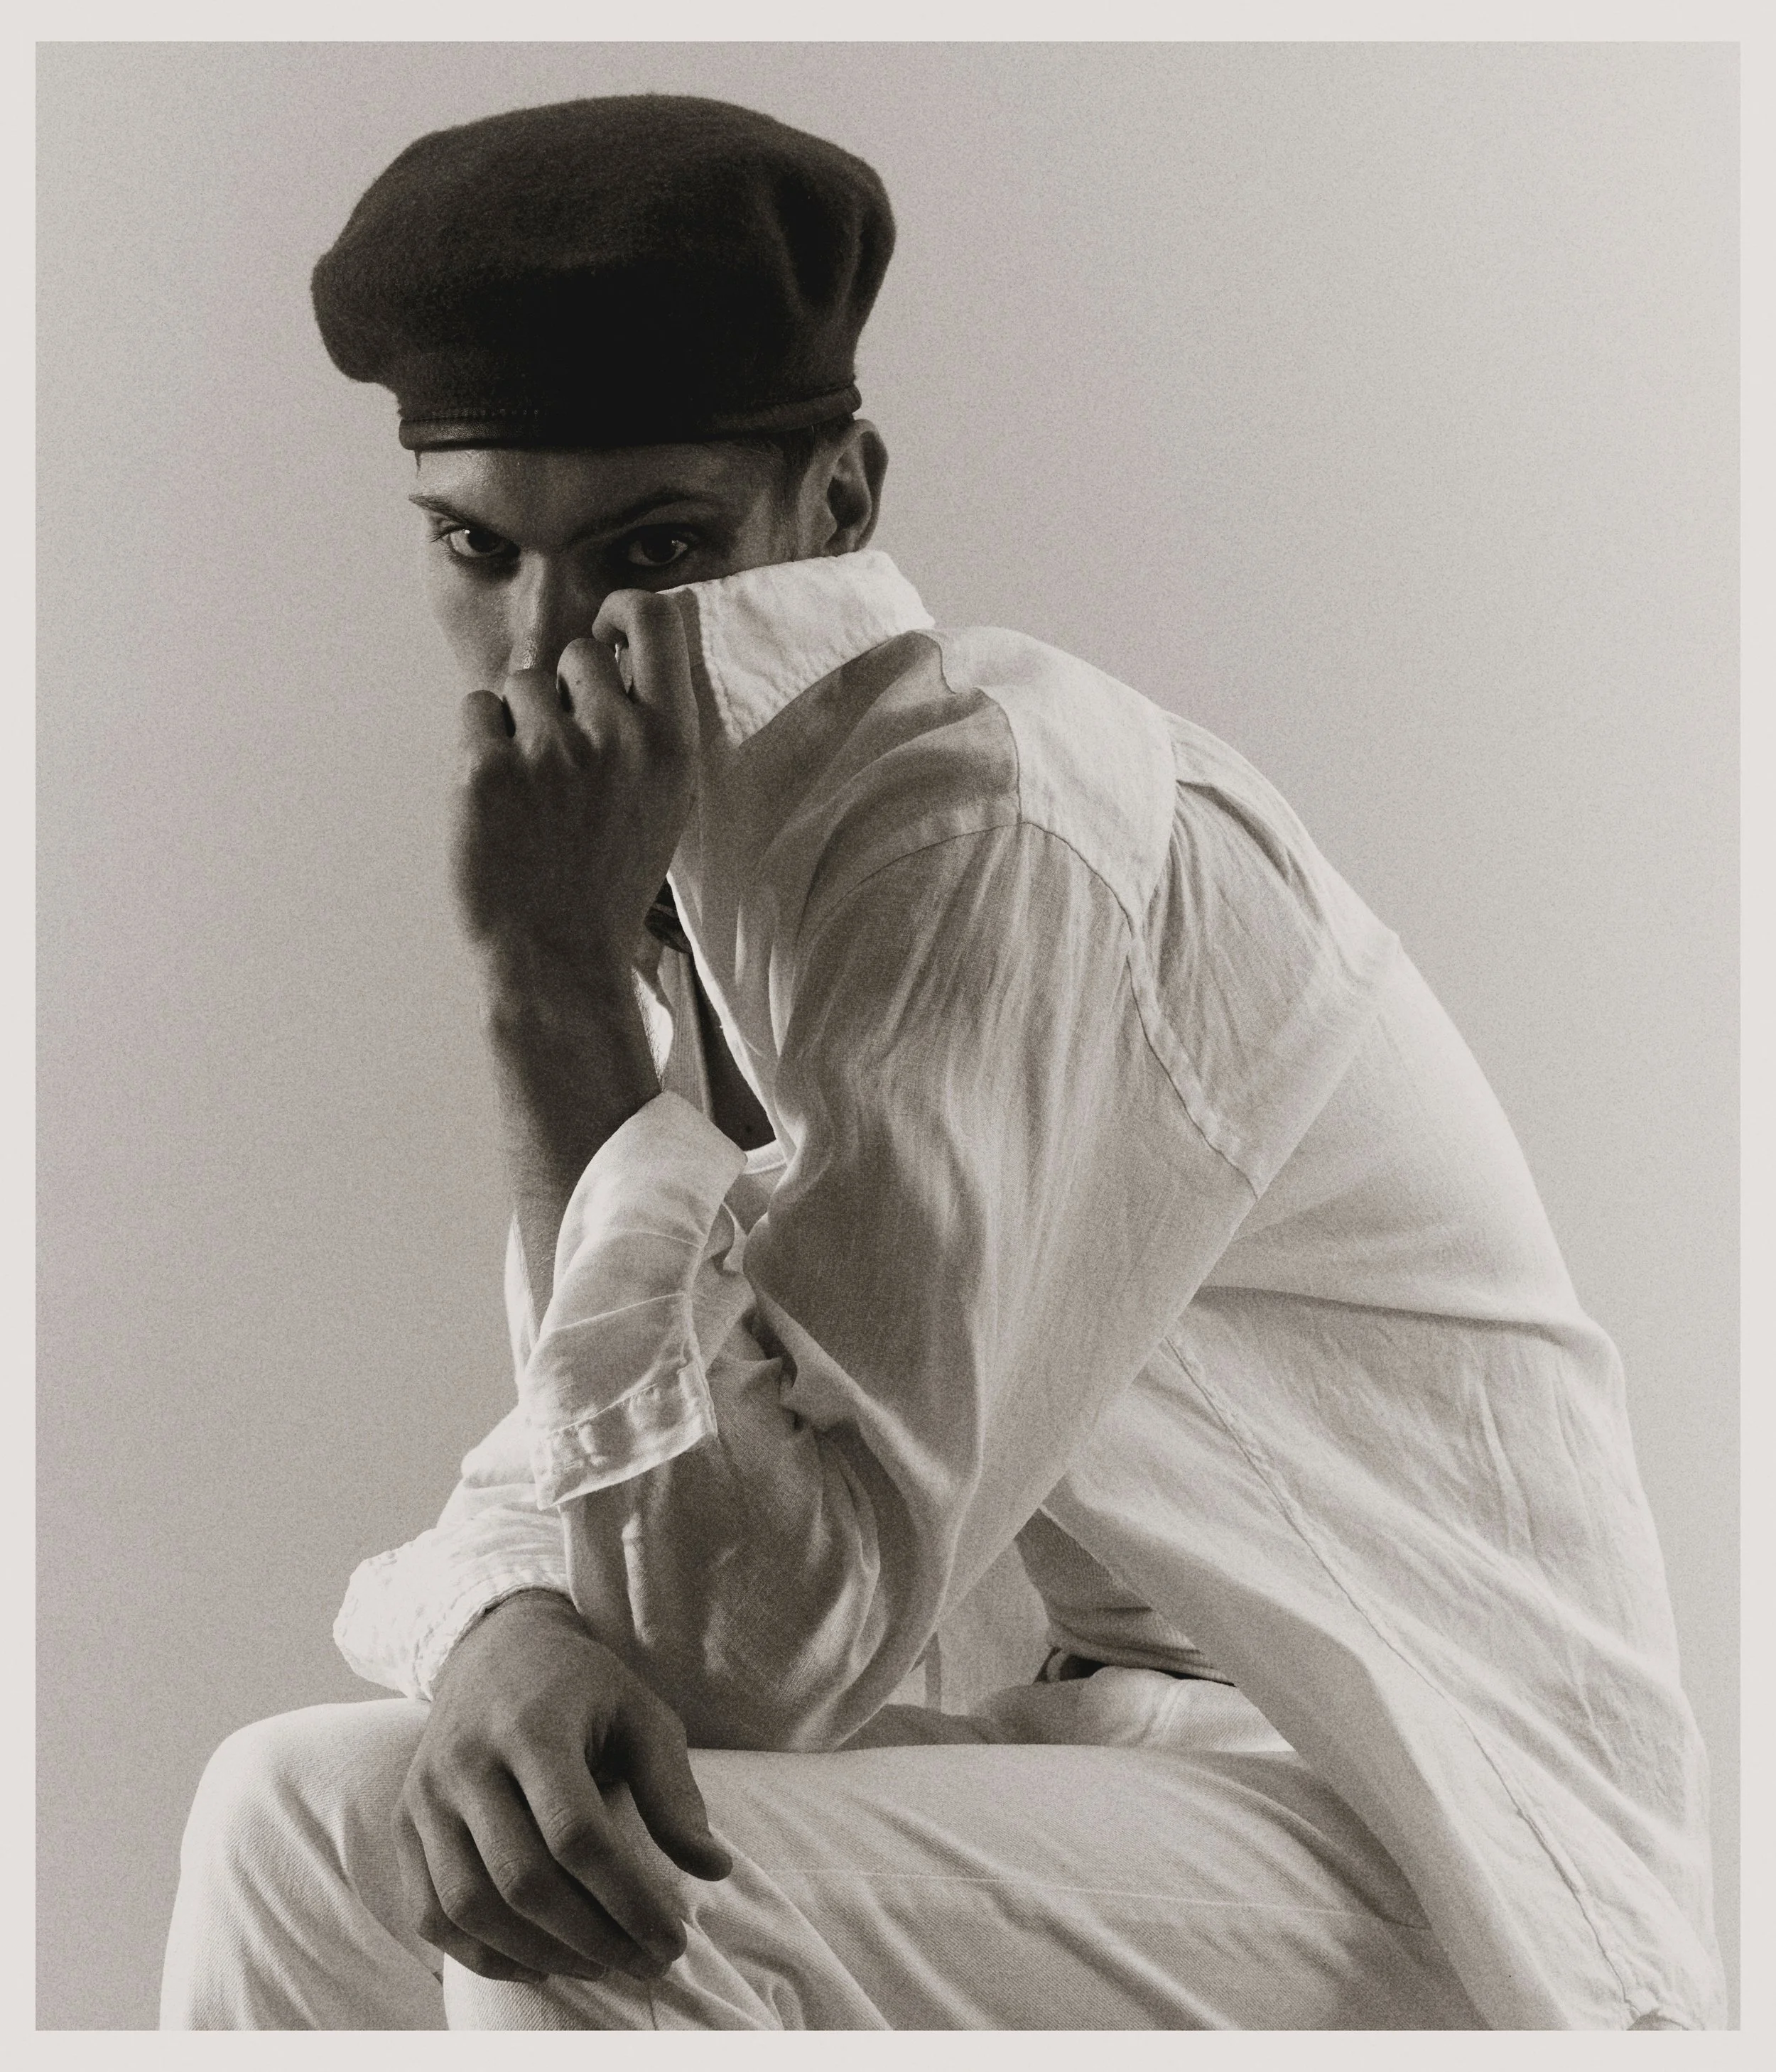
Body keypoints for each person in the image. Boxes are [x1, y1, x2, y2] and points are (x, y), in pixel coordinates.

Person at [159, 93, 1725, 2032]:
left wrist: (546, 993)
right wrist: (494, 1616)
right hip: (1075, 1756)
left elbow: (752, 1649)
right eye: (478, 547)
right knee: (297, 1817)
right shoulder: (713, 840)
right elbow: (599, 1458)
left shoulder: (988, 823)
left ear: (840, 504)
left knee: (616, 1882)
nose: (554, 647)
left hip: (1407, 1826)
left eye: (654, 546)